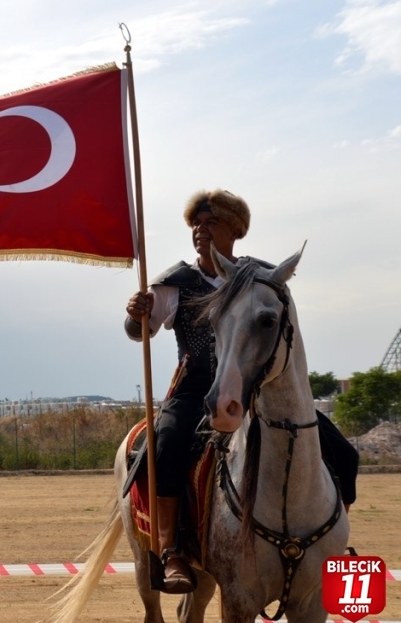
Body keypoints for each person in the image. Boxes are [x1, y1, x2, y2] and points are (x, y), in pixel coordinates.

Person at [123, 189, 358, 594]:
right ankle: (171, 549)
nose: (200, 230)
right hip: (196, 387)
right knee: (169, 443)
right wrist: (135, 315)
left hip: (255, 386)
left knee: (342, 451)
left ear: (236, 229)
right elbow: (135, 333)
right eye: (196, 223)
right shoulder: (175, 283)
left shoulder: (262, 278)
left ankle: (333, 543)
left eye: (210, 222)